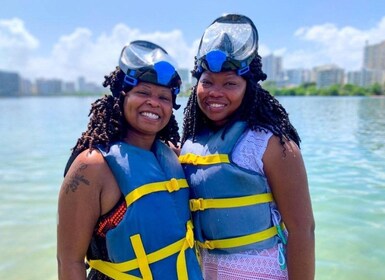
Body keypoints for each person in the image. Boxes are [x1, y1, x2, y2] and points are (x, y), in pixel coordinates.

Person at [179, 14, 315, 280]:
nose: (215, 92)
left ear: (249, 88)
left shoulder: (272, 144)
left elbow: (303, 229)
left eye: (230, 83)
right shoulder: (190, 145)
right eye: (207, 82)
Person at [57, 40, 203, 280]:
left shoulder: (173, 157)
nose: (154, 103)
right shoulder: (92, 166)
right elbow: (69, 262)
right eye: (143, 93)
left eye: (164, 98)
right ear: (121, 97)